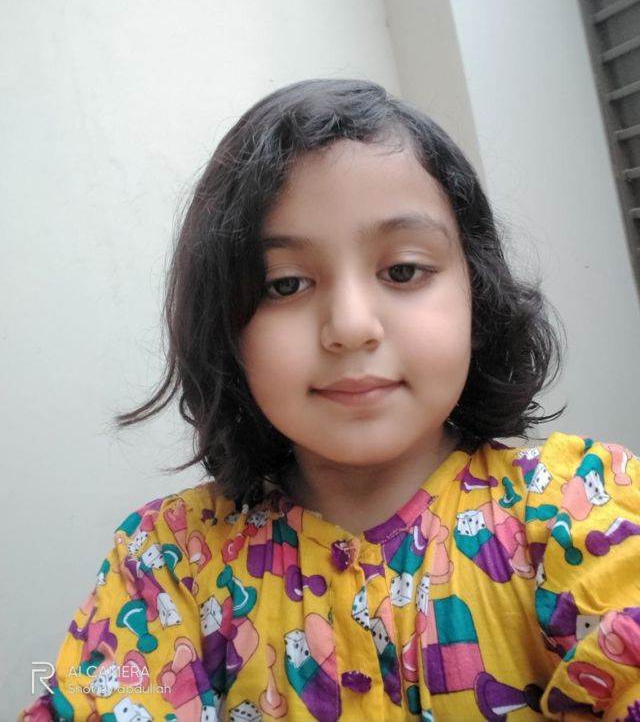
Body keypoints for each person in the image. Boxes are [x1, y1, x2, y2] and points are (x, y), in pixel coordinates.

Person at [21, 79, 640, 722]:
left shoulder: (578, 512)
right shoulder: (167, 564)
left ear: (476, 295)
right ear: (225, 330)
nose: (350, 325)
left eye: (403, 271)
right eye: (286, 284)